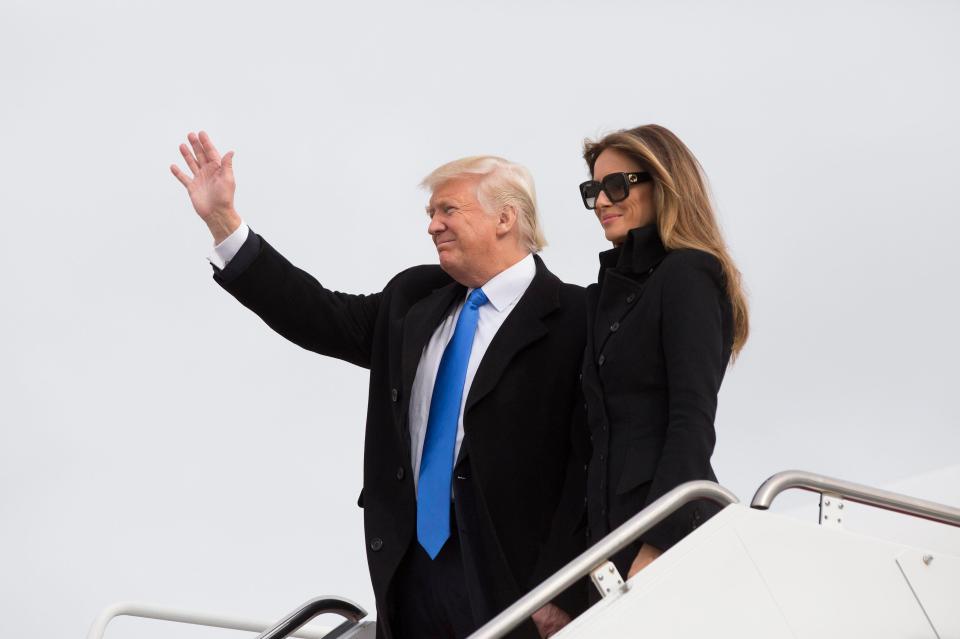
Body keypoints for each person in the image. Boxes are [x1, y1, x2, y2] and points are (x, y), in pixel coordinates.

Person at [170, 132, 588, 639]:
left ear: (505, 218)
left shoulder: (577, 319)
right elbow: (318, 315)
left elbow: (588, 464)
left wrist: (564, 587)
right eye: (430, 214)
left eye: (448, 210)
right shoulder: (414, 299)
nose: (433, 225)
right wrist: (224, 222)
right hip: (409, 578)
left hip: (517, 582)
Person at [576, 124, 749, 582]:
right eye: (593, 190)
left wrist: (657, 545)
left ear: (664, 183)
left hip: (664, 540)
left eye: (617, 185)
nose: (603, 202)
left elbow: (691, 420)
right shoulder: (603, 298)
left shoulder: (688, 274)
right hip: (607, 544)